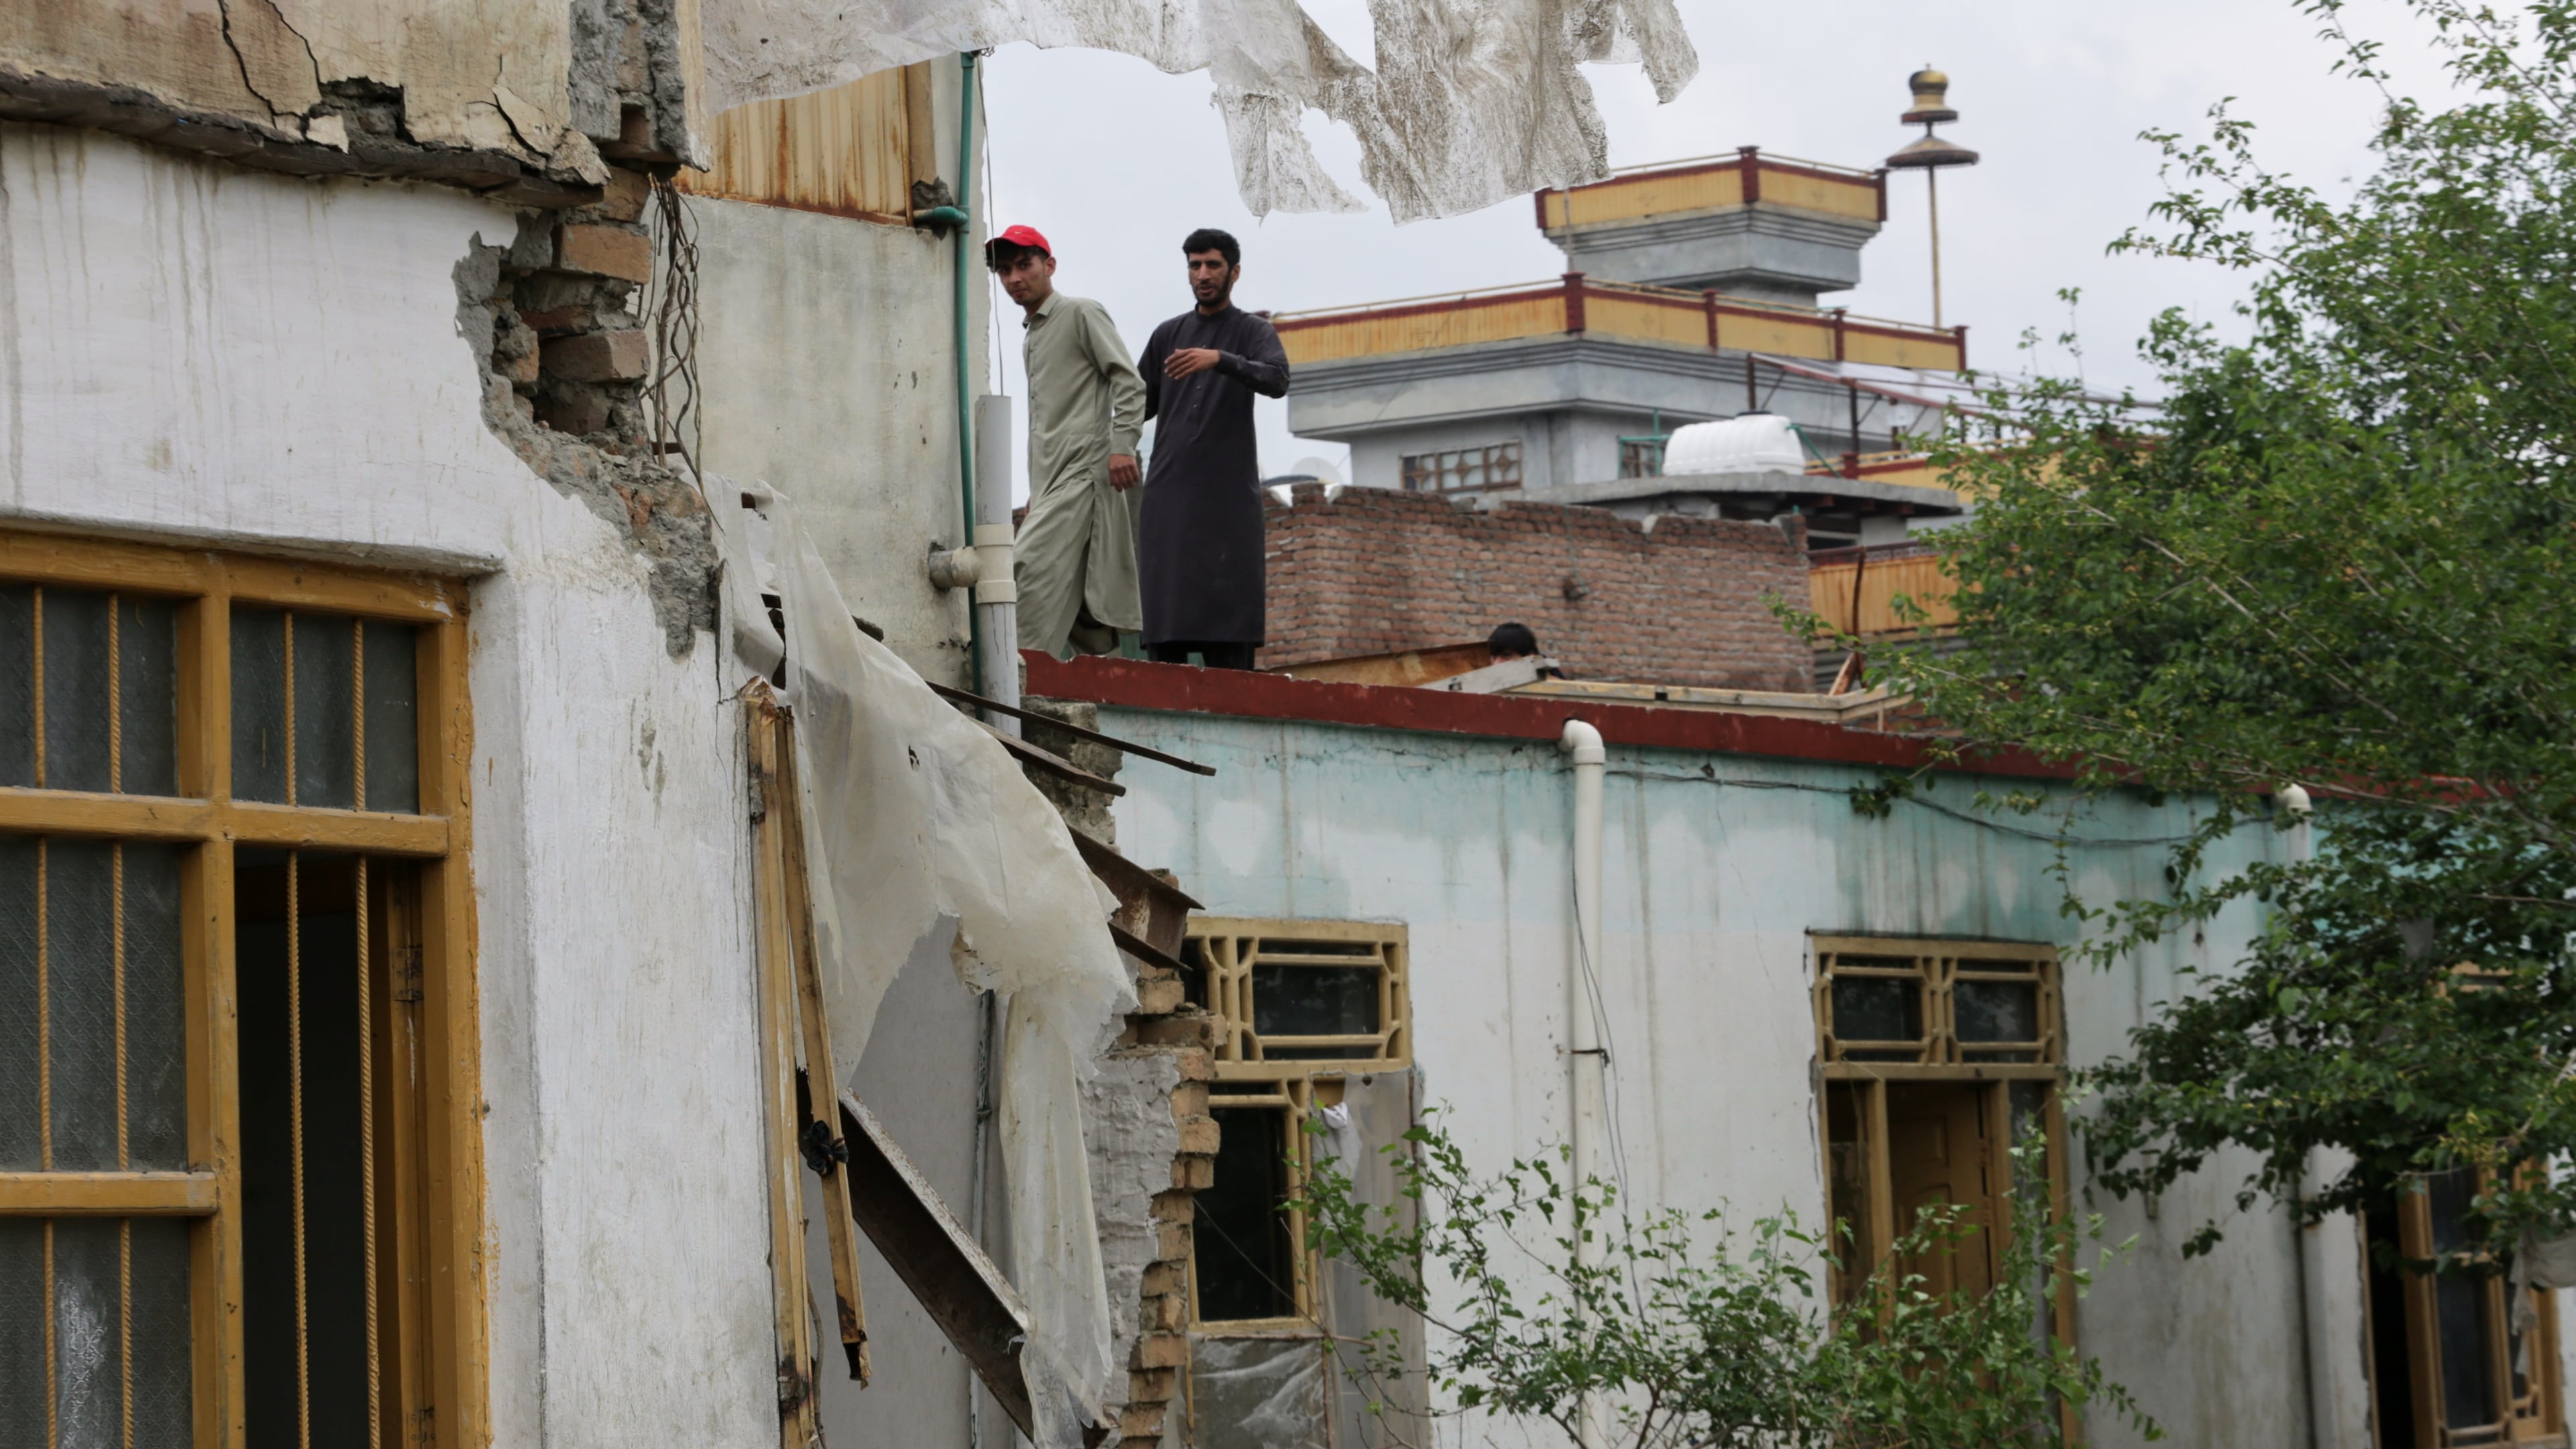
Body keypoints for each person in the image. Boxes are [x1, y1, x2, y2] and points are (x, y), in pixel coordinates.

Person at [1135, 228, 1291, 670]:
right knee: (1165, 637)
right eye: (1195, 265)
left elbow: (1278, 380)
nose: (1203, 274)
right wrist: (1110, 448)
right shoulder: (1169, 335)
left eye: (1213, 265)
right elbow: (1133, 404)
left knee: (1230, 639)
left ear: (1234, 272)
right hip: (1168, 503)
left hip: (1227, 507)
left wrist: (1220, 359)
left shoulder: (1252, 331)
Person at [988, 224, 1146, 657]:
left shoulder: (1080, 313)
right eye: (1004, 271)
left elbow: (1129, 381)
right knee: (1081, 607)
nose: (1015, 278)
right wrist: (1038, 494)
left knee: (1027, 568)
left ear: (1049, 265)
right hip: (1051, 483)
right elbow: (1044, 424)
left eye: (1024, 265)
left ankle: (1014, 680)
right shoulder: (1032, 337)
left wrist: (1122, 445)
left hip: (1084, 471)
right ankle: (1102, 702)